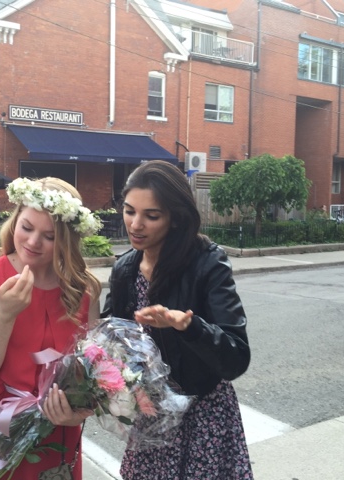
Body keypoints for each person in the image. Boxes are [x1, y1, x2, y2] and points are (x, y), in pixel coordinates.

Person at [102, 160, 253, 479]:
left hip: (202, 417)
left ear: (175, 218)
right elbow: (113, 340)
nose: (135, 224)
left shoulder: (207, 263)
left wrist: (188, 326)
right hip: (151, 414)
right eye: (129, 211)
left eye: (151, 216)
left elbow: (236, 357)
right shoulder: (125, 270)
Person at [0, 177, 103, 479]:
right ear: (15, 221)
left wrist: (80, 411)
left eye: (49, 236)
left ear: (66, 240)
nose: (33, 242)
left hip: (59, 436)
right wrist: (5, 314)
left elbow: (91, 376)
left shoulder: (83, 291)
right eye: (26, 227)